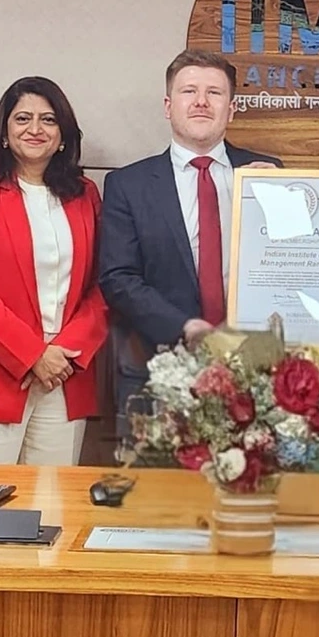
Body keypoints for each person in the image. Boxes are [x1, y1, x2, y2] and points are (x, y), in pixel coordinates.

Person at [97, 50, 279, 422]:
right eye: (189, 91)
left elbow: (297, 265)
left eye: (214, 93)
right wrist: (186, 326)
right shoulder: (127, 185)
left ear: (231, 108)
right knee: (158, 483)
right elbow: (118, 278)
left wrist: (283, 198)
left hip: (255, 369)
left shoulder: (268, 175)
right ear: (168, 106)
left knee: (249, 481)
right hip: (158, 368)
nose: (200, 101)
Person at [0, 78, 109, 464]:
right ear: (4, 130)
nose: (36, 129)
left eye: (48, 120)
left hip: (64, 377)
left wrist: (62, 356)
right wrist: (33, 354)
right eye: (23, 118)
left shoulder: (85, 195)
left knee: (53, 513)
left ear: (62, 135)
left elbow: (103, 286)